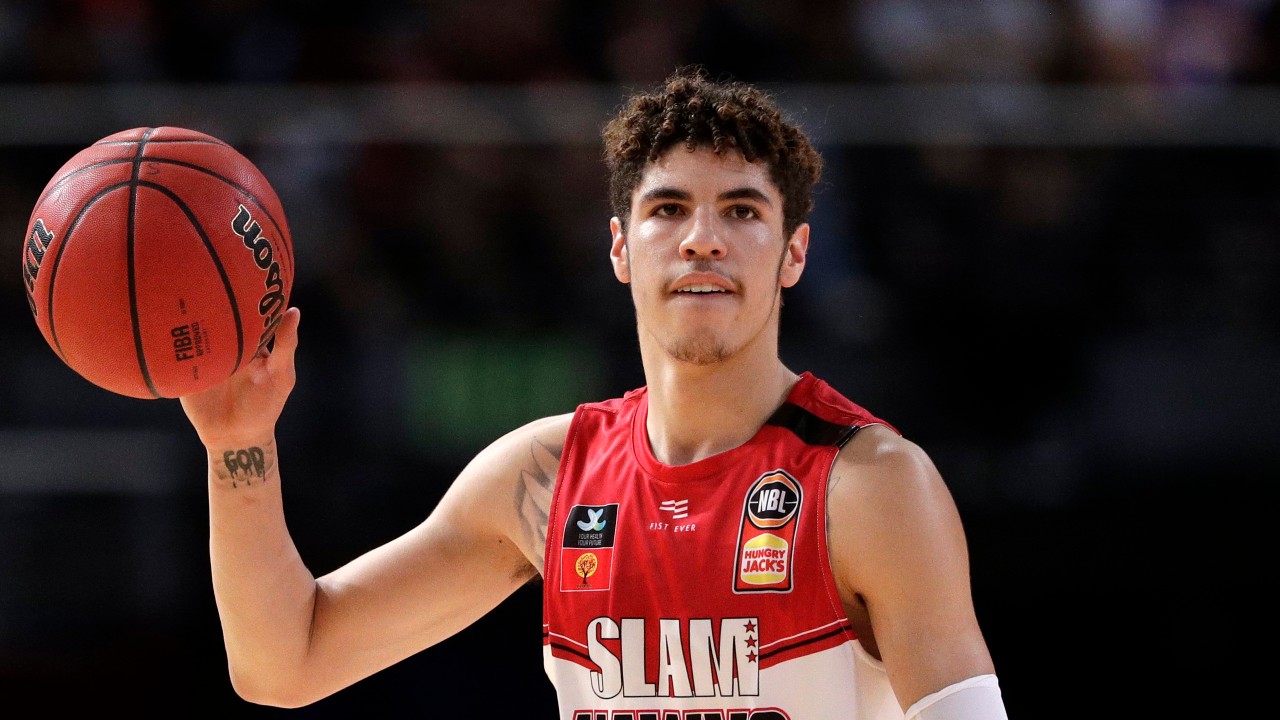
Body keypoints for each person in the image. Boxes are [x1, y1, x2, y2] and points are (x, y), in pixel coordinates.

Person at [180, 66, 1009, 720]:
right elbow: (284, 665)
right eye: (669, 209)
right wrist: (237, 445)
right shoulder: (541, 475)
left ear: (794, 253)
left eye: (742, 211)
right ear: (620, 247)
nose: (702, 240)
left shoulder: (873, 486)